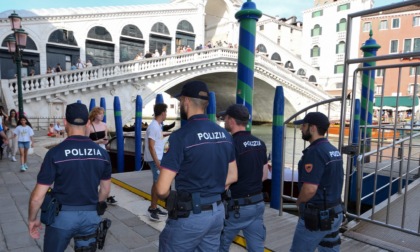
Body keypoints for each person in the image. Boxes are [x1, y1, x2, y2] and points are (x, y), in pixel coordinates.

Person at [156, 80, 238, 252]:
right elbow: (233, 175)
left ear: (186, 101)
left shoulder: (180, 137)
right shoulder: (224, 134)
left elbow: (162, 189)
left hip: (190, 216)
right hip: (217, 213)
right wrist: (211, 190)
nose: (180, 105)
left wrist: (172, 197)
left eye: (180, 102)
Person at [28, 103, 112, 251]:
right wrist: (91, 208)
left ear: (65, 121)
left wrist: (32, 219)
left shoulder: (55, 153)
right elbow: (105, 191)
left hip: (62, 218)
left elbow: (37, 197)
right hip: (90, 216)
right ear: (87, 122)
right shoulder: (102, 154)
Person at [290, 112, 344, 252]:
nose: (301, 128)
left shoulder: (314, 152)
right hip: (335, 212)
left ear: (312, 128)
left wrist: (299, 201)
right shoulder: (333, 150)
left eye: (304, 125)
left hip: (318, 217)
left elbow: (310, 189)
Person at [218, 104, 269, 252]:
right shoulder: (260, 143)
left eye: (225, 118)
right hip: (258, 204)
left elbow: (227, 179)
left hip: (237, 207)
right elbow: (264, 175)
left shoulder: (230, 144)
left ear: (232, 120)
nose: (224, 121)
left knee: (220, 244)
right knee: (256, 247)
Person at [86, 106, 116, 204]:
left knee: (105, 173)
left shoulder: (104, 125)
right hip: (92, 151)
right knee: (94, 173)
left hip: (103, 151)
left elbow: (106, 138)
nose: (102, 115)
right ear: (95, 114)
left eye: (103, 113)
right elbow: (86, 141)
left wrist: (106, 142)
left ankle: (108, 195)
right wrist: (98, 141)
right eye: (100, 113)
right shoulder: (89, 126)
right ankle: (93, 193)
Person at [144, 103, 168, 221]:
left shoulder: (157, 126)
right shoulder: (154, 127)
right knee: (159, 184)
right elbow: (151, 146)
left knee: (155, 184)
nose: (166, 114)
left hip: (157, 158)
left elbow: (156, 144)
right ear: (163, 113)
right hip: (155, 160)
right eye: (166, 112)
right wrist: (157, 163)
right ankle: (152, 209)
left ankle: (153, 206)